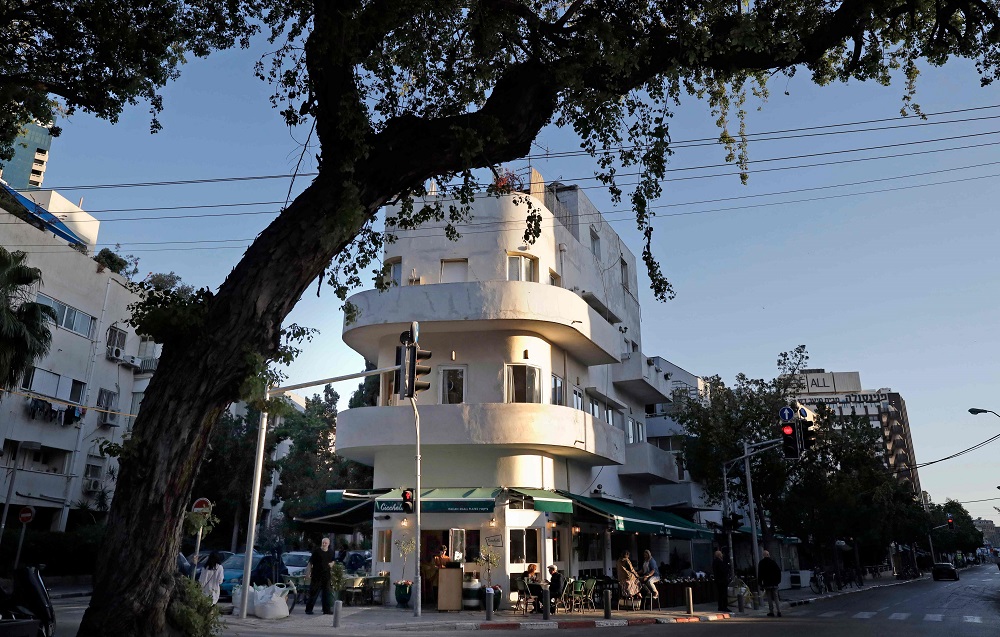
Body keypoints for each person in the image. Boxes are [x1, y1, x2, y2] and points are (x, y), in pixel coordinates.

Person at [305, 537, 335, 615]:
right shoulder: (317, 551)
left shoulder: (331, 552)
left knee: (326, 593)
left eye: (326, 543)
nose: (324, 544)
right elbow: (310, 562)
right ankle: (308, 609)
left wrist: (332, 564)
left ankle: (326, 610)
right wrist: (308, 573)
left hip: (326, 575)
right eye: (323, 543)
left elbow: (333, 560)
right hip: (316, 575)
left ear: (328, 544)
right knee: (313, 593)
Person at [757, 550, 782, 617]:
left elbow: (760, 574)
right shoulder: (773, 562)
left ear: (763, 555)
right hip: (774, 583)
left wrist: (760, 583)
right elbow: (778, 571)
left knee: (769, 598)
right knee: (776, 597)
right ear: (768, 554)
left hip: (767, 583)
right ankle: (779, 611)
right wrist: (778, 581)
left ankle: (771, 611)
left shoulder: (761, 563)